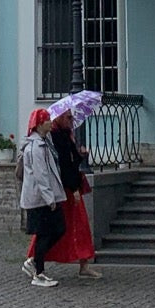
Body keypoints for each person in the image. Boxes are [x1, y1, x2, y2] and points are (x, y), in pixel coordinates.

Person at [44, 110, 103, 279]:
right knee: (56, 225)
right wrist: (74, 188)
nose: (72, 121)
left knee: (80, 226)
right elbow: (64, 166)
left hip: (70, 186)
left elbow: (71, 161)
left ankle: (84, 263)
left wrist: (80, 155)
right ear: (60, 118)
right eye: (69, 117)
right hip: (66, 189)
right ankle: (35, 259)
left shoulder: (65, 135)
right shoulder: (57, 137)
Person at [16, 108, 67, 288]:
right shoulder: (37, 147)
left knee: (56, 230)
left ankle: (35, 262)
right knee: (45, 233)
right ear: (39, 124)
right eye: (47, 120)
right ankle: (38, 272)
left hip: (44, 196)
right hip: (40, 199)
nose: (50, 123)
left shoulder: (45, 142)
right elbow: (40, 174)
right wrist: (49, 198)